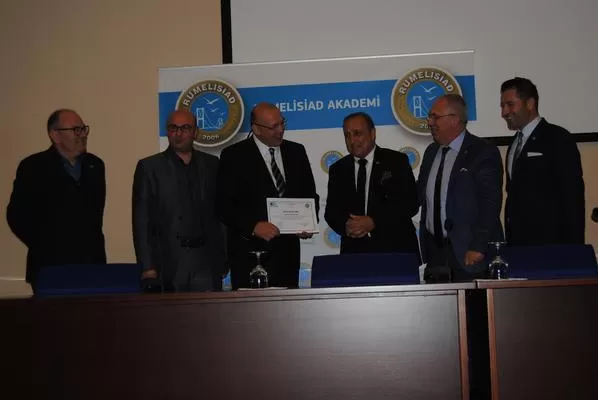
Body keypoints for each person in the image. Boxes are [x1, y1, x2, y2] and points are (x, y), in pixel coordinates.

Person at [217, 102, 319, 289]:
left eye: (282, 123)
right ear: (256, 129)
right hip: (250, 255)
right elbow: (224, 205)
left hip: (288, 255)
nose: (280, 130)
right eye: (273, 126)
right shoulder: (234, 155)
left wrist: (308, 222)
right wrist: (253, 227)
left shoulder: (297, 151)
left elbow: (309, 194)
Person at [7, 109, 106, 291]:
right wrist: (45, 244)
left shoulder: (95, 165)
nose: (83, 135)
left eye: (83, 129)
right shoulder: (33, 166)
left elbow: (94, 216)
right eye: (76, 130)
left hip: (91, 266)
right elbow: (16, 216)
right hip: (49, 267)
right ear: (55, 135)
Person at [132, 110, 226, 291]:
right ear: (167, 132)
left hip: (206, 260)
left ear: (195, 132)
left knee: (208, 309)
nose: (178, 133)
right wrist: (147, 266)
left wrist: (223, 258)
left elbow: (220, 214)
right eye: (173, 128)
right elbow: (141, 220)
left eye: (185, 128)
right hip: (167, 262)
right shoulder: (150, 167)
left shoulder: (212, 164)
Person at [418, 94, 503, 281]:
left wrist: (479, 246)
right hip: (435, 254)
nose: (430, 122)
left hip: (469, 253)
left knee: (473, 301)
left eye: (435, 117)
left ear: (454, 119)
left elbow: (490, 203)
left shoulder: (482, 151)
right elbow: (422, 196)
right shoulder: (431, 152)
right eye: (430, 117)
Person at [500, 77, 585, 245]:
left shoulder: (558, 138)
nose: (504, 112)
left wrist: (574, 249)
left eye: (510, 104)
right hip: (519, 244)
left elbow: (573, 198)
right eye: (502, 106)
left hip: (552, 245)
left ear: (530, 103)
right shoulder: (514, 143)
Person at [325, 112, 420, 257]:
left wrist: (374, 222)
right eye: (347, 135)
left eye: (357, 133)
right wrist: (346, 226)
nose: (352, 140)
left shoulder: (396, 161)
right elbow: (331, 212)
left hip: (395, 251)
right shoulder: (338, 169)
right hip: (354, 253)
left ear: (373, 133)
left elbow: (410, 203)